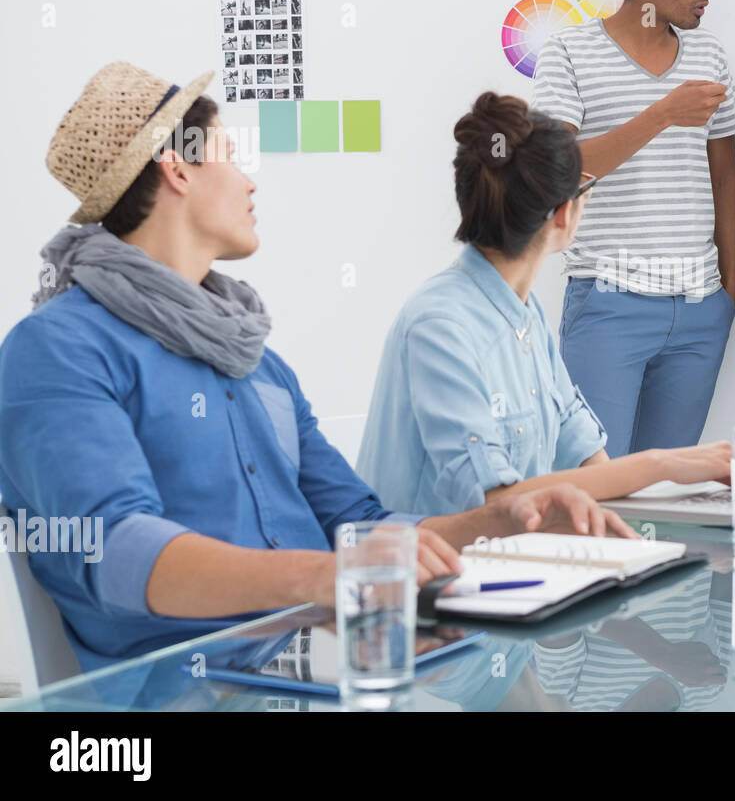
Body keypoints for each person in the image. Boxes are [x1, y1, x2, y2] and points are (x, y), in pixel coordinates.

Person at [0, 63, 624, 670]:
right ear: (177, 168)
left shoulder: (257, 361)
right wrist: (324, 577)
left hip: (322, 664)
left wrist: (500, 522)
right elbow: (114, 550)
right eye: (231, 157)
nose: (250, 182)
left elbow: (361, 526)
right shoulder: (56, 350)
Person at [357, 92, 731, 516]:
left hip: (512, 559)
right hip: (430, 571)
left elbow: (578, 439)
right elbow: (497, 501)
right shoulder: (440, 326)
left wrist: (645, 514)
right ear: (561, 214)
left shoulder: (524, 312)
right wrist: (660, 463)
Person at [531, 0, 735, 459]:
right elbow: (558, 173)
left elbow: (725, 179)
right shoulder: (569, 54)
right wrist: (660, 115)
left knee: (668, 495)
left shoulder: (710, 56)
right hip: (609, 304)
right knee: (593, 489)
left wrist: (729, 293)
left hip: (701, 309)